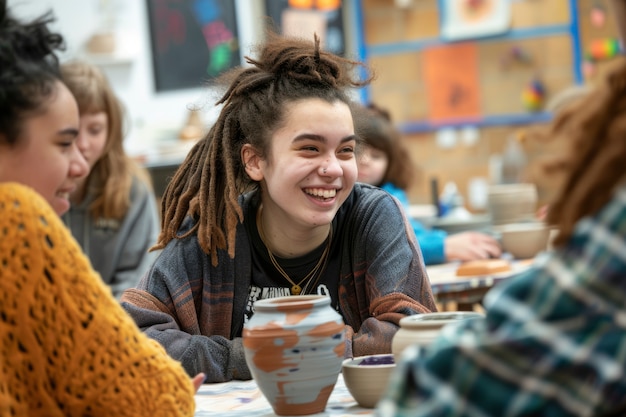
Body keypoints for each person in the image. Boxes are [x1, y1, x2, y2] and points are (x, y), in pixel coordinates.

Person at [120, 32, 438, 383]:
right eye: (310, 149)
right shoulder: (212, 230)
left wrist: (276, 353)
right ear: (255, 161)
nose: (333, 168)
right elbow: (131, 339)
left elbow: (408, 335)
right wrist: (246, 357)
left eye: (345, 150)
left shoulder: (373, 215)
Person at [375, 5, 626, 416]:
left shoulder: (387, 198)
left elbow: (438, 394)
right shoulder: (369, 205)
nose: (339, 167)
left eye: (355, 152)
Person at [0, 2, 201, 414]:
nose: (79, 160)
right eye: (63, 143)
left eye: (92, 133)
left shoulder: (129, 189)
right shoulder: (15, 219)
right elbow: (150, 400)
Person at [60, 60, 160, 299]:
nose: (83, 145)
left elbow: (138, 280)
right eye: (71, 131)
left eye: (95, 130)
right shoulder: (34, 186)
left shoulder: (132, 188)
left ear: (111, 127)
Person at [355, 103, 502, 265]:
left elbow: (410, 233)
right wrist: (442, 247)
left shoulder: (391, 194)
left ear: (391, 163)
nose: (365, 161)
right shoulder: (348, 202)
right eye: (357, 151)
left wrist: (446, 242)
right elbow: (385, 247)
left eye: (376, 156)